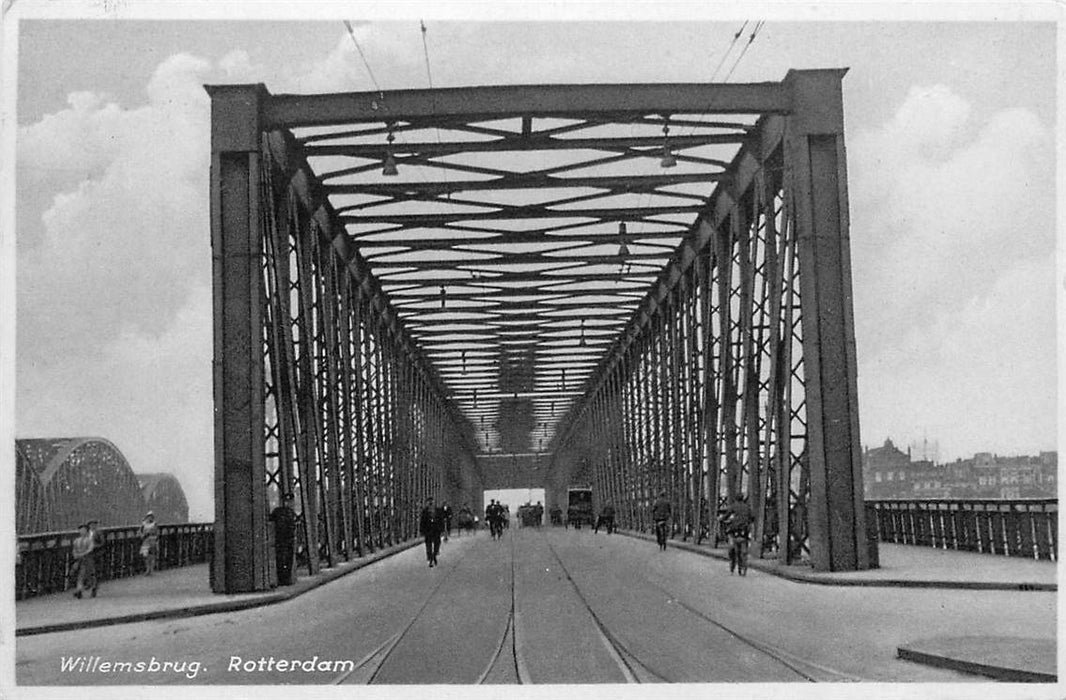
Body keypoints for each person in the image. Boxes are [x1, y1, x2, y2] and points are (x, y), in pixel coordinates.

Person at [719, 495, 753, 574]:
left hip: (734, 529)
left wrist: (721, 519)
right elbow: (752, 517)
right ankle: (743, 564)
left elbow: (726, 516)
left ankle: (732, 561)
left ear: (735, 499)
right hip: (744, 529)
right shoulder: (747, 507)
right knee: (745, 541)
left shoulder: (733, 506)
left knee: (731, 546)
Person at [270, 492, 298, 586]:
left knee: (287, 559)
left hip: (288, 539)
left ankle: (286, 579)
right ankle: (283, 579)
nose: (288, 503)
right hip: (282, 539)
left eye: (289, 501)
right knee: (282, 559)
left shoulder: (288, 512)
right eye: (287, 501)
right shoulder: (279, 512)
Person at [71, 523, 97, 599]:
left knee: (88, 574)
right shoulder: (76, 541)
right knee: (80, 574)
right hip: (79, 559)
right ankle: (79, 589)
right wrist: (75, 554)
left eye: (83, 530)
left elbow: (90, 549)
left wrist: (83, 554)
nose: (82, 532)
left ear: (87, 531)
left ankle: (91, 587)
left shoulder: (89, 540)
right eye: (80, 530)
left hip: (87, 559)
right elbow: (74, 549)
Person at [419, 496, 444, 567]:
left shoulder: (438, 510)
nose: (431, 504)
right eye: (429, 502)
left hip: (436, 530)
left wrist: (441, 528)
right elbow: (422, 521)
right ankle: (430, 558)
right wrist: (422, 530)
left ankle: (434, 554)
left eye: (432, 502)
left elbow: (441, 520)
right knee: (428, 545)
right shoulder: (425, 511)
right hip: (428, 530)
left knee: (437, 543)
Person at [139, 511, 159, 576]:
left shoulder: (154, 524)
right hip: (145, 540)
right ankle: (147, 569)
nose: (150, 518)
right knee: (145, 556)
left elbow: (156, 532)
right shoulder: (144, 524)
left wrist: (156, 539)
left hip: (152, 540)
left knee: (152, 555)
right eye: (149, 516)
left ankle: (151, 570)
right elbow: (140, 531)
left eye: (151, 517)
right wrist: (142, 535)